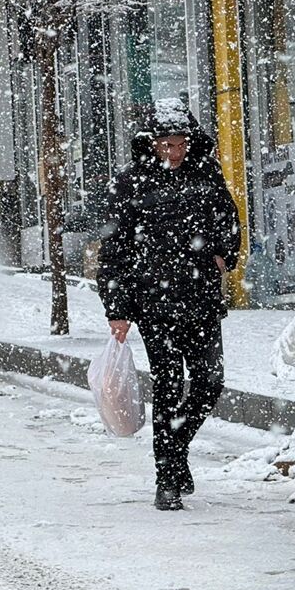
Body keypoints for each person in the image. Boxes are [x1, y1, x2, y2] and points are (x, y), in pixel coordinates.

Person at [97, 99, 242, 511]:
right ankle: (167, 478)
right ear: (151, 143)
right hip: (153, 302)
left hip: (201, 299)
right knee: (168, 384)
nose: (173, 152)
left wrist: (224, 252)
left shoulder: (206, 174)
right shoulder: (130, 183)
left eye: (179, 143)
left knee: (210, 380)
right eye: (165, 144)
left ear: (190, 141)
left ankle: (176, 451)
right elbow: (114, 250)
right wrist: (117, 309)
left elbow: (228, 220)